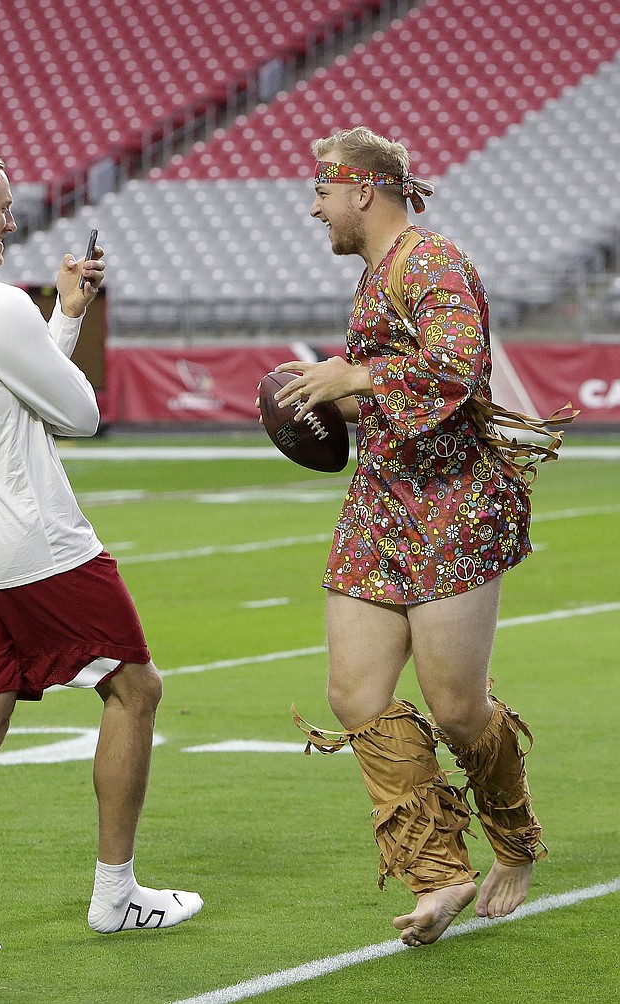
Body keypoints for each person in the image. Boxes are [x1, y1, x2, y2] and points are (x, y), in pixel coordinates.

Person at [0, 146, 202, 958]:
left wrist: (61, 311)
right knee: (136, 689)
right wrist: (60, 316)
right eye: (1, 205)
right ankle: (116, 895)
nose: (11, 219)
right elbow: (80, 414)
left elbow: (16, 396)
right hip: (35, 542)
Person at [272, 127, 566, 947]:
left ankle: (513, 842)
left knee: (457, 706)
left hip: (452, 505)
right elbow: (404, 394)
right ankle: (439, 873)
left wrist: (353, 376)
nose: (315, 206)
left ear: (362, 188)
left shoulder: (430, 261)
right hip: (380, 499)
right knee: (356, 694)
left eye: (322, 190)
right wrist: (330, 407)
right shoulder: (375, 275)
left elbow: (459, 364)